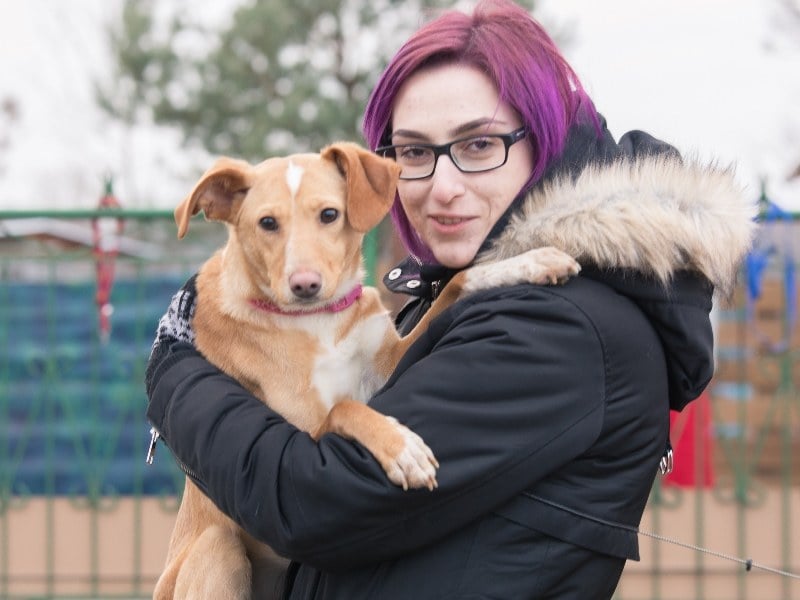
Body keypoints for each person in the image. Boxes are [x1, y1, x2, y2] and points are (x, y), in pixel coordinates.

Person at [145, 0, 756, 597]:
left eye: (479, 145)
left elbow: (316, 499)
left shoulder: (562, 327)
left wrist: (175, 372)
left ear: (546, 140)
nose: (442, 187)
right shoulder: (473, 292)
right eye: (414, 152)